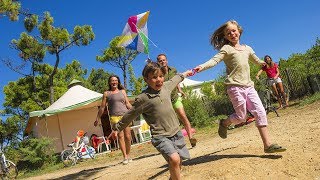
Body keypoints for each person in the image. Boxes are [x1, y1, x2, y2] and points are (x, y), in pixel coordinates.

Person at [193, 20, 286, 154]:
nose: (232, 33)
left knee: (260, 111)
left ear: (239, 31)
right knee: (241, 117)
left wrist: (263, 64)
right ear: (225, 36)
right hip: (235, 87)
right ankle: (224, 123)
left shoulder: (247, 48)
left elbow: (256, 60)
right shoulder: (227, 49)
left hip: (249, 86)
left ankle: (268, 145)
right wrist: (200, 67)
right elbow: (214, 61)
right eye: (228, 32)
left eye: (234, 30)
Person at [110, 61, 193, 180]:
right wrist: (117, 128)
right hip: (161, 136)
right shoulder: (143, 98)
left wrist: (186, 73)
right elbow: (130, 114)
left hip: (176, 133)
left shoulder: (166, 87)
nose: (159, 80)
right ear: (146, 79)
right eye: (154, 77)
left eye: (161, 76)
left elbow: (176, 79)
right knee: (174, 159)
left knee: (177, 164)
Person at [157, 53, 197, 147]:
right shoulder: (157, 73)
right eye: (160, 60)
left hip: (175, 98)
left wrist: (180, 90)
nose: (162, 61)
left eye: (163, 60)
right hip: (165, 100)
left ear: (166, 61)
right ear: (158, 62)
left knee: (183, 116)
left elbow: (176, 80)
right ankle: (175, 142)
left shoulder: (173, 70)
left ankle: (191, 137)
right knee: (172, 122)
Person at [94, 75, 132, 165]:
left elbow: (127, 103)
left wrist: (135, 110)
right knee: (121, 136)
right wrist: (97, 118)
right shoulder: (107, 94)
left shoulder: (123, 91)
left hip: (125, 116)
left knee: (128, 136)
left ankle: (128, 154)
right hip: (114, 117)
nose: (114, 82)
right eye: (112, 81)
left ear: (118, 82)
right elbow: (102, 107)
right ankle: (125, 157)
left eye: (116, 80)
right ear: (109, 82)